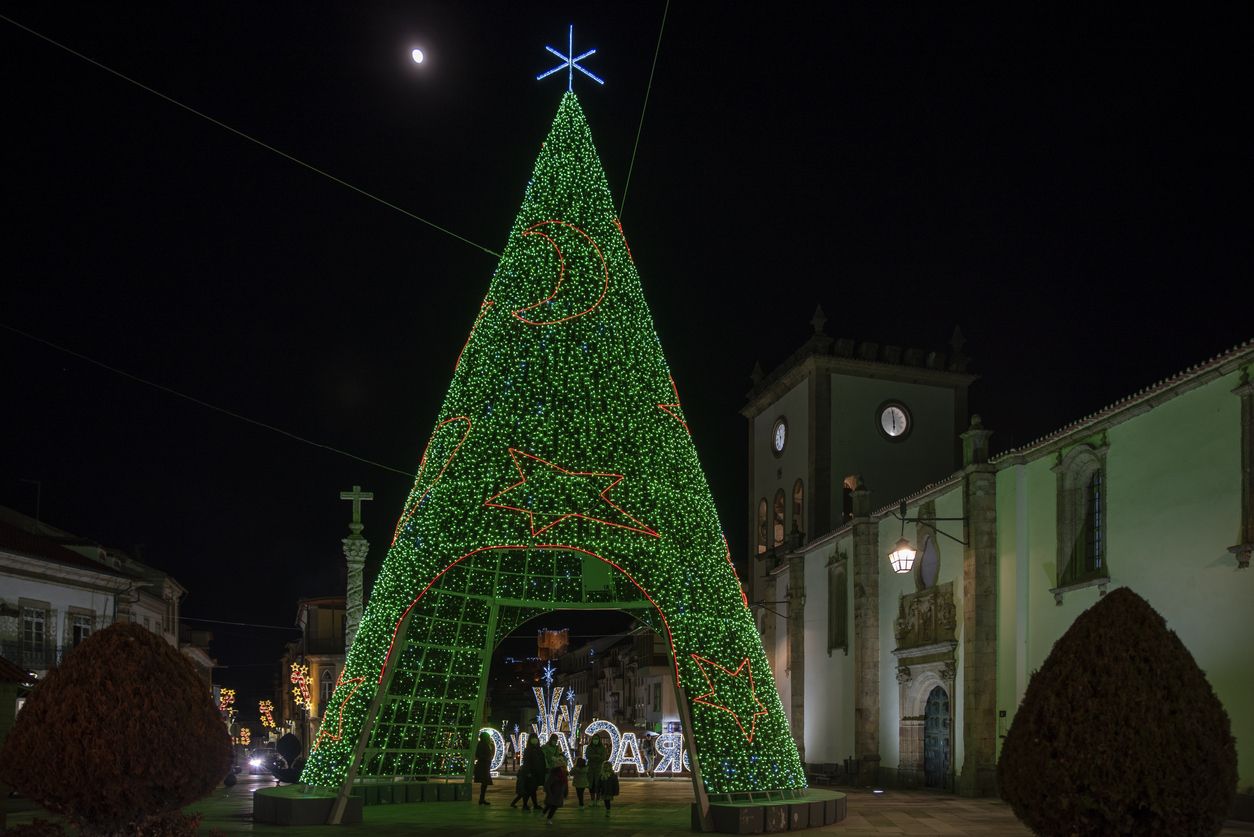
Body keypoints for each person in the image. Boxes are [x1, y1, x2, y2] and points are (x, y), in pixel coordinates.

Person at [525, 736, 547, 810]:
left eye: (536, 738)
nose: (535, 740)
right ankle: (528, 805)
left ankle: (533, 805)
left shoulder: (539, 749)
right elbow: (526, 762)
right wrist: (528, 772)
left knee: (533, 789)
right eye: (533, 738)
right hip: (532, 772)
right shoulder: (528, 750)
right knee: (531, 789)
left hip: (538, 772)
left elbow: (542, 760)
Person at [473, 731, 494, 805]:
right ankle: (481, 799)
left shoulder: (486, 744)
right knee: (484, 782)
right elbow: (478, 754)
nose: (489, 738)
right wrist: (487, 758)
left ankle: (482, 799)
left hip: (485, 765)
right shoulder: (482, 744)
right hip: (483, 766)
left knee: (485, 783)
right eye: (488, 736)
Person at [585, 734, 607, 800]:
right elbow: (587, 756)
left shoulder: (602, 748)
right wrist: (596, 756)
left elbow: (604, 757)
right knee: (591, 785)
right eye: (594, 739)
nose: (595, 740)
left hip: (599, 768)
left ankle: (597, 799)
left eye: (596, 739)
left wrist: (596, 757)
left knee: (598, 785)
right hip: (591, 768)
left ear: (599, 740)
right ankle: (592, 799)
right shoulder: (589, 747)